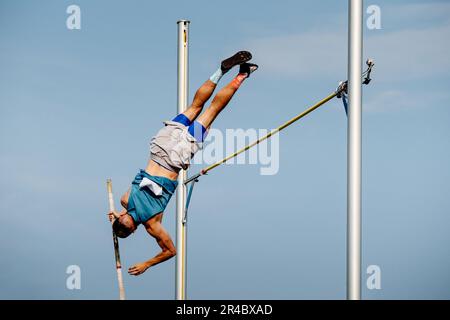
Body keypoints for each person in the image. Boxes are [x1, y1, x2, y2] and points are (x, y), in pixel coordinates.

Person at [108, 51, 258, 276]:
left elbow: (170, 251)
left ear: (134, 231)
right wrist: (119, 213)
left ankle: (242, 75)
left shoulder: (152, 225)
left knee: (212, 111)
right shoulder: (125, 198)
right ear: (122, 217)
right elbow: (130, 209)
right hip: (160, 145)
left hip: (177, 156)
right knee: (195, 106)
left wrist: (147, 264)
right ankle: (220, 71)